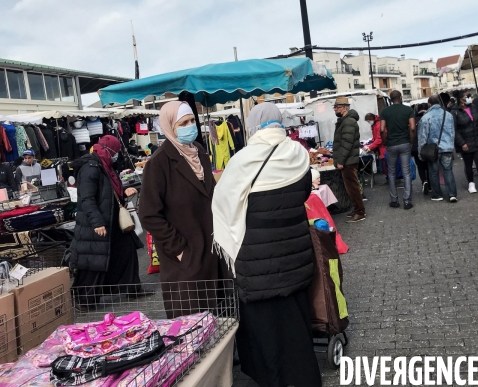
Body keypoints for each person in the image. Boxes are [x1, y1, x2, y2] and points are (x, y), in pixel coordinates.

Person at [212, 103, 321, 387]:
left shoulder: (243, 160)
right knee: (296, 321)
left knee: (265, 328)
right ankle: (304, 375)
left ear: (252, 127)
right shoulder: (298, 154)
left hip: (257, 261)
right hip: (295, 256)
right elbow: (304, 192)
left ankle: (273, 378)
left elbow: (223, 203)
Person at [139, 101, 221, 319]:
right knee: (191, 329)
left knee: (217, 324)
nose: (190, 126)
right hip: (184, 261)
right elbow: (148, 213)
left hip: (211, 253)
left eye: (192, 120)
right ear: (169, 127)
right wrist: (179, 248)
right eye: (183, 122)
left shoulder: (200, 153)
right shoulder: (159, 163)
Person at [70, 135, 142, 307]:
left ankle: (132, 289)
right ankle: (84, 300)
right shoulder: (91, 168)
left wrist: (123, 192)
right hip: (98, 222)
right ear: (109, 151)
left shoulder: (104, 165)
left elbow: (108, 191)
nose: (117, 155)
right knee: (94, 262)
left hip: (112, 220)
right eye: (116, 152)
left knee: (127, 250)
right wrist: (97, 223)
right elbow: (86, 199)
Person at [418, 95, 457, 202]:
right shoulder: (448, 115)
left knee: (433, 172)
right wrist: (451, 145)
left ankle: (437, 194)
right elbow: (452, 132)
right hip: (447, 148)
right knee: (448, 171)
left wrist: (420, 151)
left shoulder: (426, 117)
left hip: (432, 149)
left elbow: (422, 136)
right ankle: (452, 194)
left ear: (429, 104)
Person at [450, 90, 478, 194]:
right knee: (468, 164)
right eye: (467, 96)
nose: (470, 98)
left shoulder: (474, 107)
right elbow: (454, 129)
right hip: (465, 142)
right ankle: (471, 183)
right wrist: (462, 143)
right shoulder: (454, 111)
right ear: (461, 99)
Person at [380, 90, 416, 210]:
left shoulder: (385, 112)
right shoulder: (408, 110)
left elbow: (382, 129)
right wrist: (411, 141)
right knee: (406, 172)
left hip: (391, 144)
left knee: (391, 173)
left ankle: (394, 200)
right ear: (400, 97)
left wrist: (385, 141)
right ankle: (407, 201)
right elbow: (412, 127)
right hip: (405, 143)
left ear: (390, 99)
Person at [332, 97, 365, 222]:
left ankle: (360, 212)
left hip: (348, 161)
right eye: (335, 107)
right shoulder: (344, 121)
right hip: (348, 160)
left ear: (344, 108)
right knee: (350, 187)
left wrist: (340, 161)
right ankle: (357, 209)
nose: (335, 109)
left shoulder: (348, 122)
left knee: (353, 187)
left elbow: (347, 143)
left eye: (337, 107)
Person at [413, 103, 431, 194]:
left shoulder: (414, 120)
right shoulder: (429, 118)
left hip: (416, 147)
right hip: (428, 146)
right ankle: (431, 183)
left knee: (420, 166)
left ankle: (424, 181)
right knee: (429, 165)